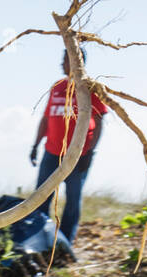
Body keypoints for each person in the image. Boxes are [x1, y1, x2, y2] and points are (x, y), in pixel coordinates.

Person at [29, 49, 107, 244]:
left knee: (72, 200)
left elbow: (98, 123)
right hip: (51, 152)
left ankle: (64, 242)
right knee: (41, 196)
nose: (61, 64)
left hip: (77, 155)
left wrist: (90, 152)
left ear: (76, 61)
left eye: (65, 60)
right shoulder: (57, 87)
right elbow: (46, 118)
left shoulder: (90, 88)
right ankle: (39, 239)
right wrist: (35, 145)